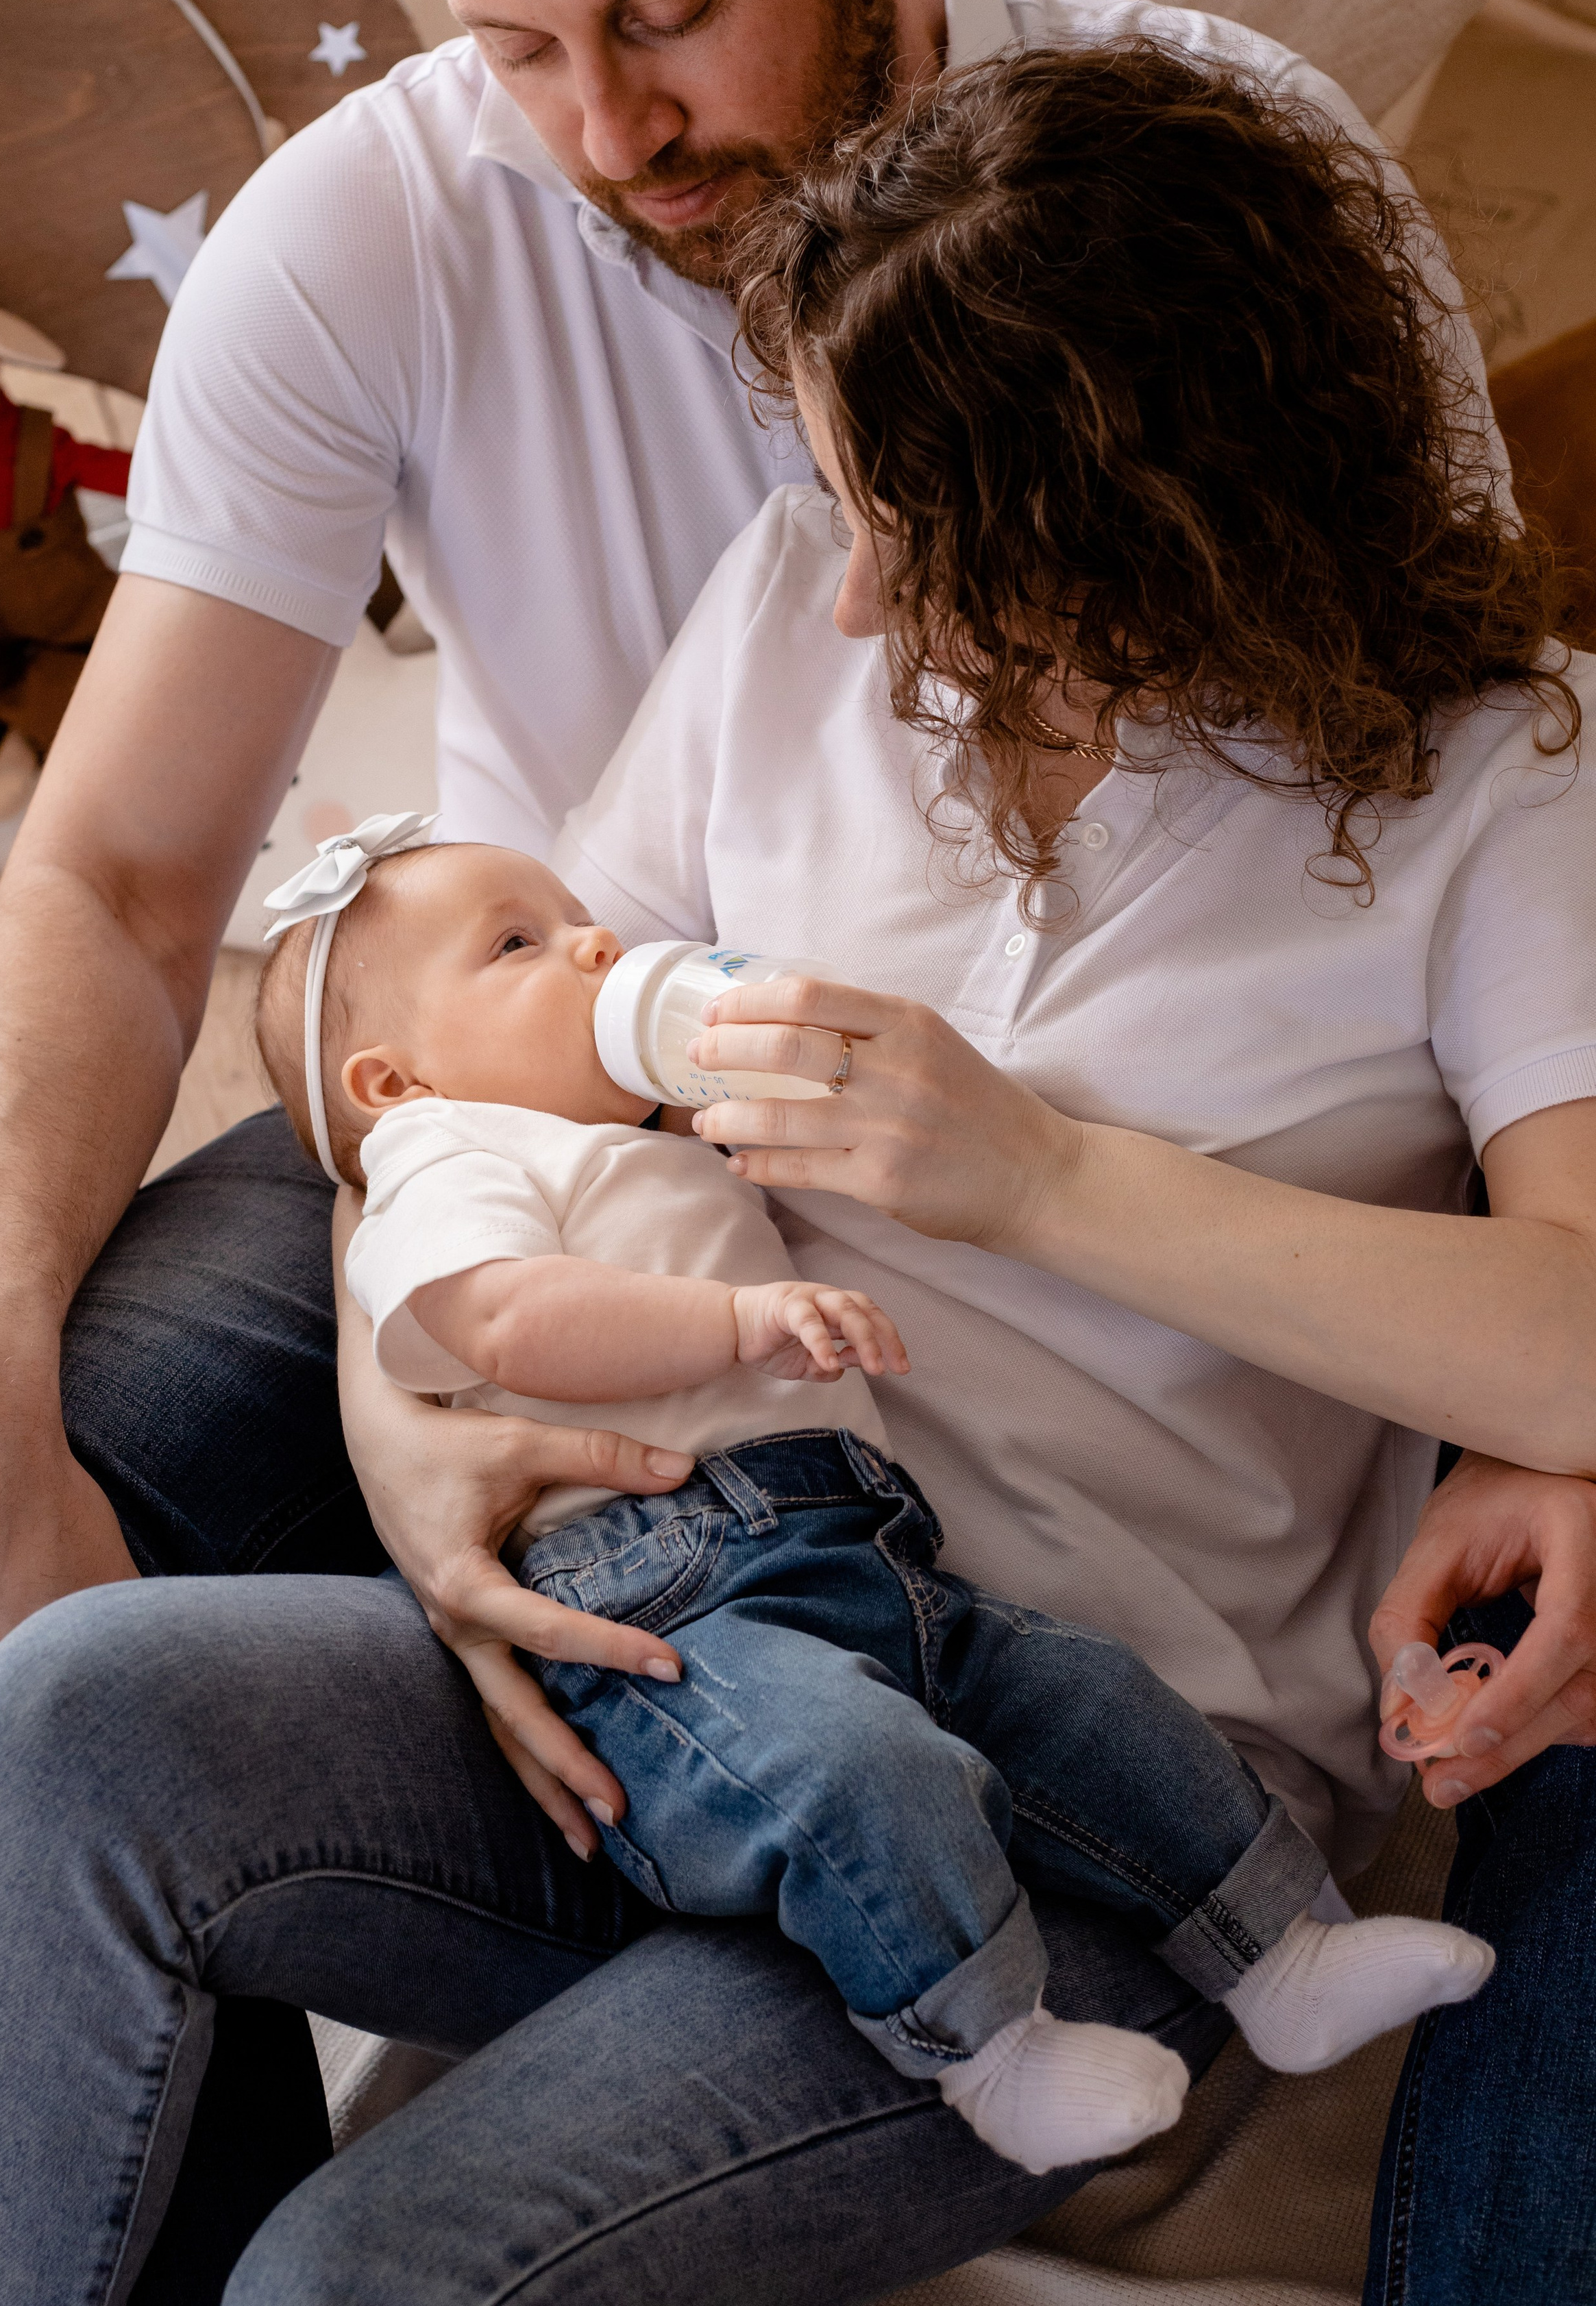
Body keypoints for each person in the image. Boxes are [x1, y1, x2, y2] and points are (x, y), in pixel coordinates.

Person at [0, 40, 1592, 2305]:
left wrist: (1045, 1177)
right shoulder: (802, 607)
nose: (853, 597)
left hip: (1077, 1805)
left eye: (911, 529)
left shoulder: (1500, 796)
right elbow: (505, 1059)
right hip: (680, 1630)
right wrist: (414, 1430)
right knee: (59, 1727)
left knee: (357, 2276)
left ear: (1133, 517)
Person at [256, 824, 1490, 2172]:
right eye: (517, 945)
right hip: (671, 1604)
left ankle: (1282, 1955)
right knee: (858, 1771)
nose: (593, 945)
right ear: (397, 1079)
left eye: (570, 917)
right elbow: (504, 1321)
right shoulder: (448, 1153)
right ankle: (991, 2056)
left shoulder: (627, 1136)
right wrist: (733, 1321)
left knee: (1082, 1699)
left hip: (855, 1539)